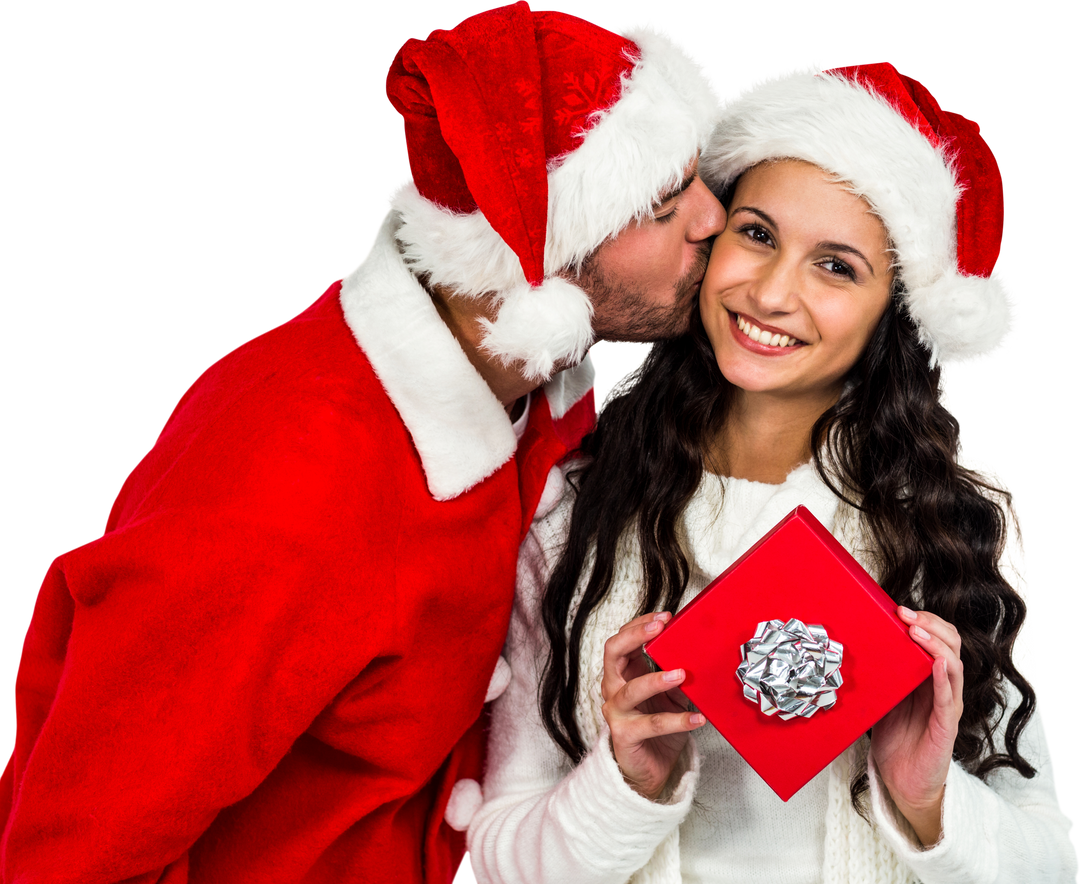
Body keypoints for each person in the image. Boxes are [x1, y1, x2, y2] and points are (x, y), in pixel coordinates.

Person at [0, 4, 727, 882]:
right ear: (536, 257)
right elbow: (75, 853)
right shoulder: (286, 496)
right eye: (659, 204)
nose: (713, 219)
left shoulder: (536, 382)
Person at [465, 60, 1078, 883]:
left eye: (837, 266)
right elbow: (499, 854)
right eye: (756, 234)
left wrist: (927, 799)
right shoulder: (570, 504)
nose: (772, 293)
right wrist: (627, 786)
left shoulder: (965, 510)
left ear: (892, 310)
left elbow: (1049, 863)